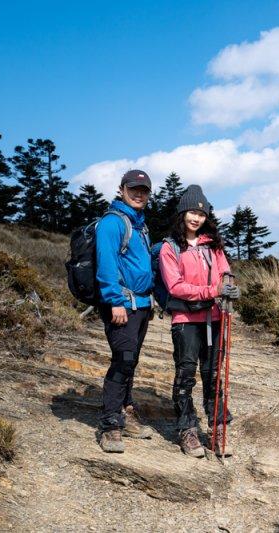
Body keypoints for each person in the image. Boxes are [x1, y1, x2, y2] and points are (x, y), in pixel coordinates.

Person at [159, 185, 239, 457]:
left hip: (214, 317)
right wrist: (211, 292)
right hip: (185, 319)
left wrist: (229, 285)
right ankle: (187, 430)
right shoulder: (170, 247)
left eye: (201, 214)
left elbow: (224, 272)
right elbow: (175, 287)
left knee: (213, 374)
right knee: (185, 376)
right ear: (182, 212)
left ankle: (217, 427)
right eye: (192, 212)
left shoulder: (212, 244)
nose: (196, 218)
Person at [96, 169, 155, 453]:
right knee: (122, 361)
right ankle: (110, 425)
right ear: (121, 189)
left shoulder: (140, 225)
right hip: (121, 305)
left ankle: (125, 413)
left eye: (144, 190)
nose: (139, 194)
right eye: (133, 189)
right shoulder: (112, 223)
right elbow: (105, 265)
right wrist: (114, 300)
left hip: (141, 305)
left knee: (131, 361)